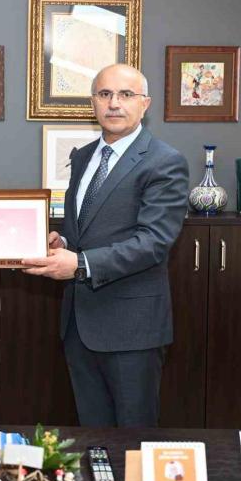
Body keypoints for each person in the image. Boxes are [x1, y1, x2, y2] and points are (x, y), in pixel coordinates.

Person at [22, 64, 189, 427]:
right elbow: (87, 228)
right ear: (93, 103)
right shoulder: (83, 156)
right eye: (104, 94)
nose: (114, 103)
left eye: (126, 94)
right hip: (79, 325)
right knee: (92, 436)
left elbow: (153, 242)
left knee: (133, 438)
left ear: (145, 103)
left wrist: (79, 264)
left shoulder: (164, 161)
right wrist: (63, 241)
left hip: (132, 330)